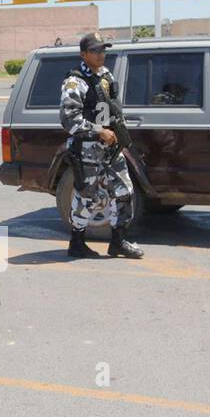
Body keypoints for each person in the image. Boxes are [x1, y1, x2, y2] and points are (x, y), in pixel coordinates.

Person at [59, 32, 144, 259]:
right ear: (83, 54)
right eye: (95, 51)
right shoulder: (75, 82)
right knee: (89, 197)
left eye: (103, 50)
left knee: (125, 191)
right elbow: (69, 120)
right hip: (87, 149)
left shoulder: (106, 75)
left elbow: (112, 107)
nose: (100, 55)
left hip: (111, 148)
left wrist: (118, 132)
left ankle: (118, 241)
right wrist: (99, 132)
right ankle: (77, 241)